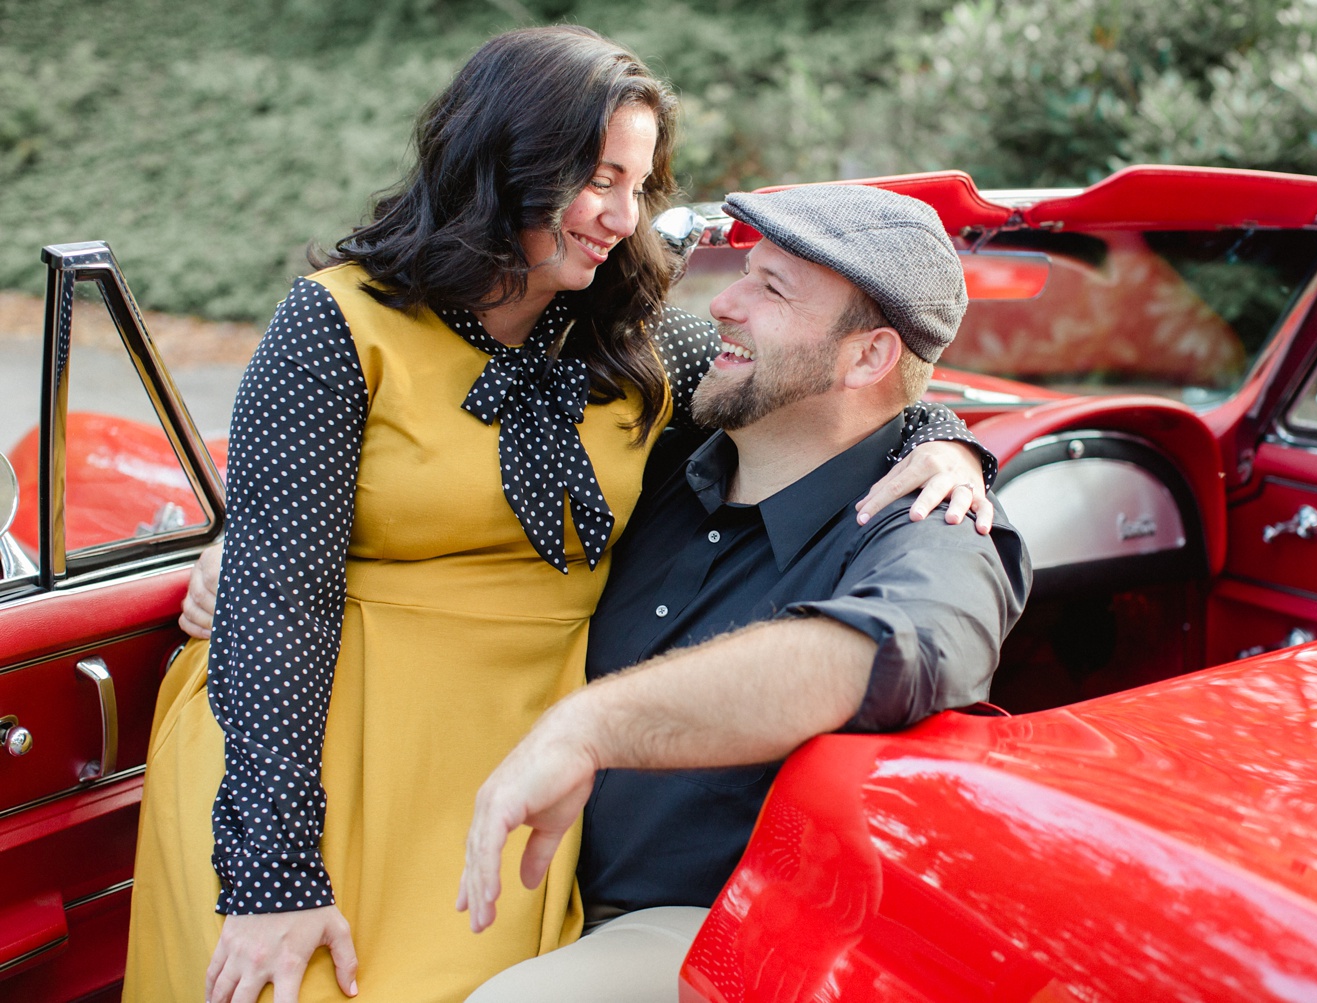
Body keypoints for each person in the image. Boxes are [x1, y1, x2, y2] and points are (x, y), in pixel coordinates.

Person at [126, 26, 995, 1003]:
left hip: (512, 765)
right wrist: (274, 871)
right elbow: (277, 603)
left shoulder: (640, 344)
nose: (623, 216)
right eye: (600, 179)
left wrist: (946, 436)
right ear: (504, 163)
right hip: (307, 749)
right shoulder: (337, 324)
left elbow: (841, 388)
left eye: (640, 185)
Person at [450, 183, 1030, 998]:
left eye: (772, 287)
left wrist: (588, 727)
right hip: (502, 870)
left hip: (708, 928)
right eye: (744, 272)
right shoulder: (659, 452)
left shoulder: (935, 529)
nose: (724, 302)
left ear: (869, 356)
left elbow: (892, 649)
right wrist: (289, 538)